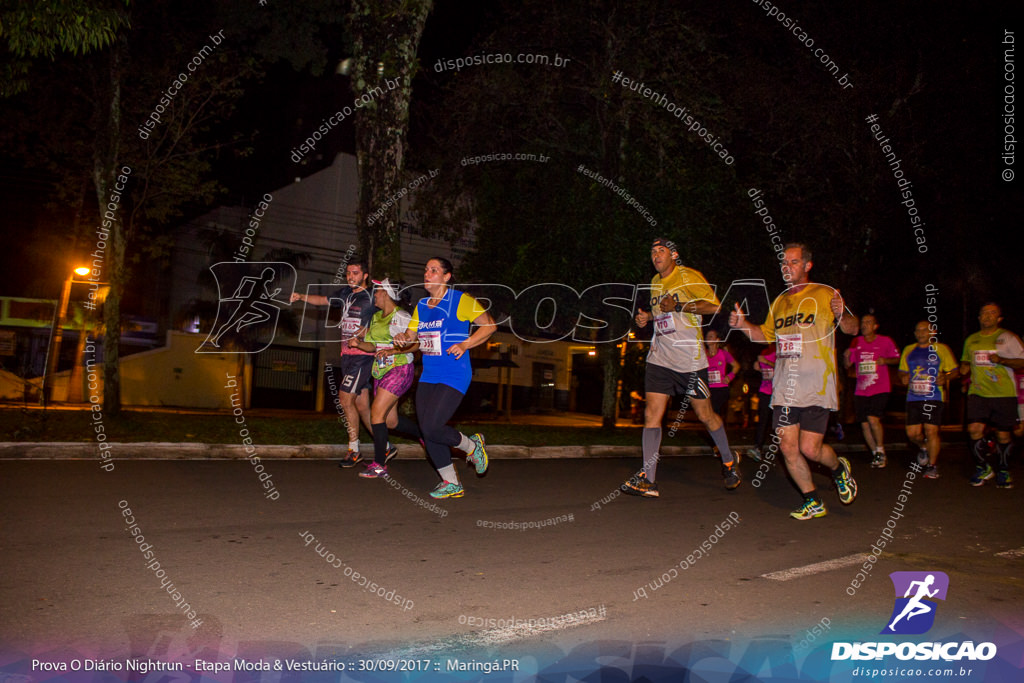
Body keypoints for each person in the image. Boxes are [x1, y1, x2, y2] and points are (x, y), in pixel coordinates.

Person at [729, 243, 859, 520]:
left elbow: (852, 328)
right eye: (783, 263)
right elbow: (764, 336)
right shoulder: (779, 302)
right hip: (785, 388)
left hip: (816, 385)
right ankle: (812, 500)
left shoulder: (825, 293)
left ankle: (838, 469)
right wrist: (742, 326)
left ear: (807, 265)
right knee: (787, 446)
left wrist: (841, 314)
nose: (787, 267)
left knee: (810, 450)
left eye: (793, 262)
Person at [620, 238, 740, 497]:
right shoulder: (654, 282)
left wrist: (679, 305)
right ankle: (648, 480)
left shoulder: (689, 276)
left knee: (705, 415)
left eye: (661, 251)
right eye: (652, 252)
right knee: (652, 415)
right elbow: (663, 313)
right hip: (660, 358)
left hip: (689, 361)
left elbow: (714, 306)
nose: (656, 256)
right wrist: (648, 317)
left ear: (674, 255)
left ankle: (729, 461)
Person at [393, 257, 495, 498]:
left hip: (454, 373)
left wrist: (465, 344)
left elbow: (490, 326)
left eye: (434, 270)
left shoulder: (460, 301)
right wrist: (402, 338)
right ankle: (451, 483)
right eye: (426, 269)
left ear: (447, 276)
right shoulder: (422, 305)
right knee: (427, 431)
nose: (427, 273)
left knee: (432, 426)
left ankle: (472, 447)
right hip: (429, 375)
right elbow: (411, 335)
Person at [291, 261, 377, 467]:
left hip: (362, 356)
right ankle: (384, 445)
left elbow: (383, 321)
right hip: (347, 355)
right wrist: (301, 296)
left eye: (355, 273)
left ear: (365, 275)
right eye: (348, 273)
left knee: (345, 399)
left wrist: (365, 333)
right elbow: (322, 300)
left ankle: (354, 450)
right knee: (363, 407)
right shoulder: (346, 293)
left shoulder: (372, 298)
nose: (350, 276)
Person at [346, 278, 425, 478]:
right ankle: (424, 434)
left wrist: (393, 351)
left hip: (399, 369)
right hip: (380, 371)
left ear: (388, 295)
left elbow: (417, 345)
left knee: (376, 414)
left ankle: (379, 465)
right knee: (390, 422)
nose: (375, 294)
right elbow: (372, 346)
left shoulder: (402, 317)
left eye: (378, 291)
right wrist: (357, 344)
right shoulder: (377, 317)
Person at [959, 303, 1024, 488]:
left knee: (1003, 435)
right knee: (974, 430)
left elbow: (1022, 361)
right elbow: (966, 360)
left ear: (999, 318)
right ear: (979, 318)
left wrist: (1002, 360)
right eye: (984, 313)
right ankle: (983, 467)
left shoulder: (1007, 337)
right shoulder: (971, 340)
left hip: (1003, 393)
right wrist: (964, 368)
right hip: (978, 393)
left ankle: (1003, 470)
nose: (987, 316)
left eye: (992, 313)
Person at [898, 320, 958, 479]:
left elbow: (954, 371)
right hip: (913, 397)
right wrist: (903, 377)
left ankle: (932, 466)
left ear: (932, 333)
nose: (920, 333)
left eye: (925, 330)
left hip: (934, 396)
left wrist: (945, 377)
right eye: (918, 330)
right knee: (912, 434)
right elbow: (902, 371)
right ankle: (923, 447)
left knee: (931, 431)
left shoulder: (941, 349)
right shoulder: (909, 350)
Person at [844, 313, 900, 468]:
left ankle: (880, 449)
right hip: (861, 390)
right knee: (864, 424)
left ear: (875, 326)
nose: (864, 325)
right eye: (862, 322)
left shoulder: (885, 341)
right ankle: (876, 454)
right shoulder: (857, 341)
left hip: (880, 387)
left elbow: (897, 358)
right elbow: (848, 365)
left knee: (873, 418)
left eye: (868, 322)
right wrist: (846, 356)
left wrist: (885, 360)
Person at [748, 346, 777, 463]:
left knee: (779, 422)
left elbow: (784, 368)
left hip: (778, 392)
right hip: (764, 391)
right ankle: (757, 448)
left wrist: (766, 362)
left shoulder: (780, 350)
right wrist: (759, 368)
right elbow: (767, 371)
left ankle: (782, 447)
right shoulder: (764, 351)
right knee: (762, 421)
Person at [705, 329, 739, 421]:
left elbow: (736, 366)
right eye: (707, 336)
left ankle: (717, 433)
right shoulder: (703, 354)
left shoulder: (723, 353)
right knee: (707, 414)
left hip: (720, 388)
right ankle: (714, 433)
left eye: (711, 336)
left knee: (715, 412)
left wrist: (730, 376)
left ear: (717, 340)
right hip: (707, 388)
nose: (708, 338)